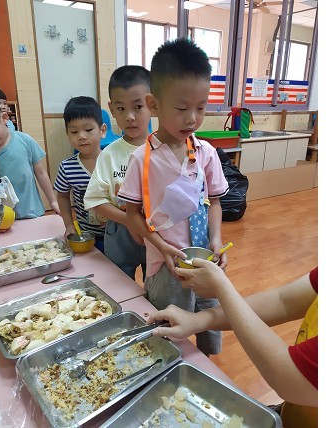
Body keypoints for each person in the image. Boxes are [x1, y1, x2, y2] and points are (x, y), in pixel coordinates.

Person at [117, 38, 229, 356]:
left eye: (201, 108)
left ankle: (207, 367)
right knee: (167, 337)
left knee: (210, 321)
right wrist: (159, 245)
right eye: (182, 108)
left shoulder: (206, 152)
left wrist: (216, 239)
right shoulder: (143, 159)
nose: (192, 118)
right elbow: (132, 213)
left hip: (204, 261)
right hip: (164, 264)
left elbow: (215, 202)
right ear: (154, 105)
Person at [149, 260, 318, 427]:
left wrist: (221, 287)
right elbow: (283, 300)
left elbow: (289, 378)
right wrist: (198, 320)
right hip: (292, 413)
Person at [83, 65, 151, 280]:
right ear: (111, 109)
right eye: (121, 108)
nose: (129, 116)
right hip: (120, 230)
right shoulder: (109, 154)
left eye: (138, 107)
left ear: (153, 104)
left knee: (156, 287)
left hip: (155, 232)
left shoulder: (164, 150)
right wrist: (129, 219)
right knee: (120, 285)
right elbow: (95, 200)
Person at [54, 96, 107, 252]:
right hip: (86, 236)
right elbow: (63, 196)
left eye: (88, 130)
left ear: (102, 130)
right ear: (67, 133)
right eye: (74, 131)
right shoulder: (67, 167)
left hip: (117, 235)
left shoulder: (113, 163)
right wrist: (69, 225)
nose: (81, 136)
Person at [0, 96, 60, 219]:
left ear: (4, 118)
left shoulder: (24, 140)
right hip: (2, 219)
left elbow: (41, 173)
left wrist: (53, 201)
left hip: (32, 212)